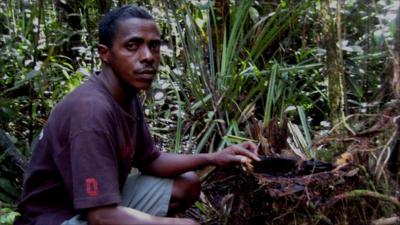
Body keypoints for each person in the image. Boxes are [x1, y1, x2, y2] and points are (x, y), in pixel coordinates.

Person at [14, 5, 260, 225]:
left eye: (153, 45)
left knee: (185, 183)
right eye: (132, 46)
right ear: (105, 53)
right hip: (58, 217)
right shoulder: (92, 111)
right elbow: (100, 217)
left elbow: (151, 160)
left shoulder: (126, 95)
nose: (148, 56)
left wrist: (215, 157)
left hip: (94, 207)